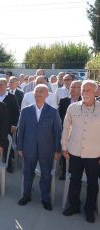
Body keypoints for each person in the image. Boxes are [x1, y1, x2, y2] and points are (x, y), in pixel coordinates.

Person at [17, 84, 62, 211]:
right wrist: (19, 147)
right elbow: (21, 131)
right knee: (28, 173)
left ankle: (45, 199)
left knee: (46, 175)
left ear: (47, 94)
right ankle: (26, 196)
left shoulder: (53, 112)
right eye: (36, 91)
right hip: (29, 147)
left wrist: (57, 149)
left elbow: (58, 132)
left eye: (42, 91)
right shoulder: (26, 111)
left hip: (47, 149)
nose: (38, 94)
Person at [61, 80, 100, 223]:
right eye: (83, 90)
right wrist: (64, 146)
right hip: (74, 151)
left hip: (94, 153)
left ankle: (89, 210)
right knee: (74, 180)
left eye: (88, 90)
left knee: (92, 183)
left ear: (96, 92)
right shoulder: (72, 107)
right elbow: (66, 128)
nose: (84, 93)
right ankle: (74, 206)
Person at [58, 80, 81, 180]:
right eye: (72, 87)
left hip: (79, 132)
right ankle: (64, 171)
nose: (73, 89)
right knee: (65, 151)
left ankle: (77, 172)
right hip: (66, 130)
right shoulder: (63, 100)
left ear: (80, 90)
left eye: (76, 87)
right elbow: (59, 116)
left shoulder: (84, 101)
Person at [0, 78, 20, 173]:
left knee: (6, 145)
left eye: (2, 84)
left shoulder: (12, 97)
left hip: (8, 126)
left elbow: (16, 112)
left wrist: (14, 124)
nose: (0, 86)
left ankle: (8, 164)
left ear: (6, 85)